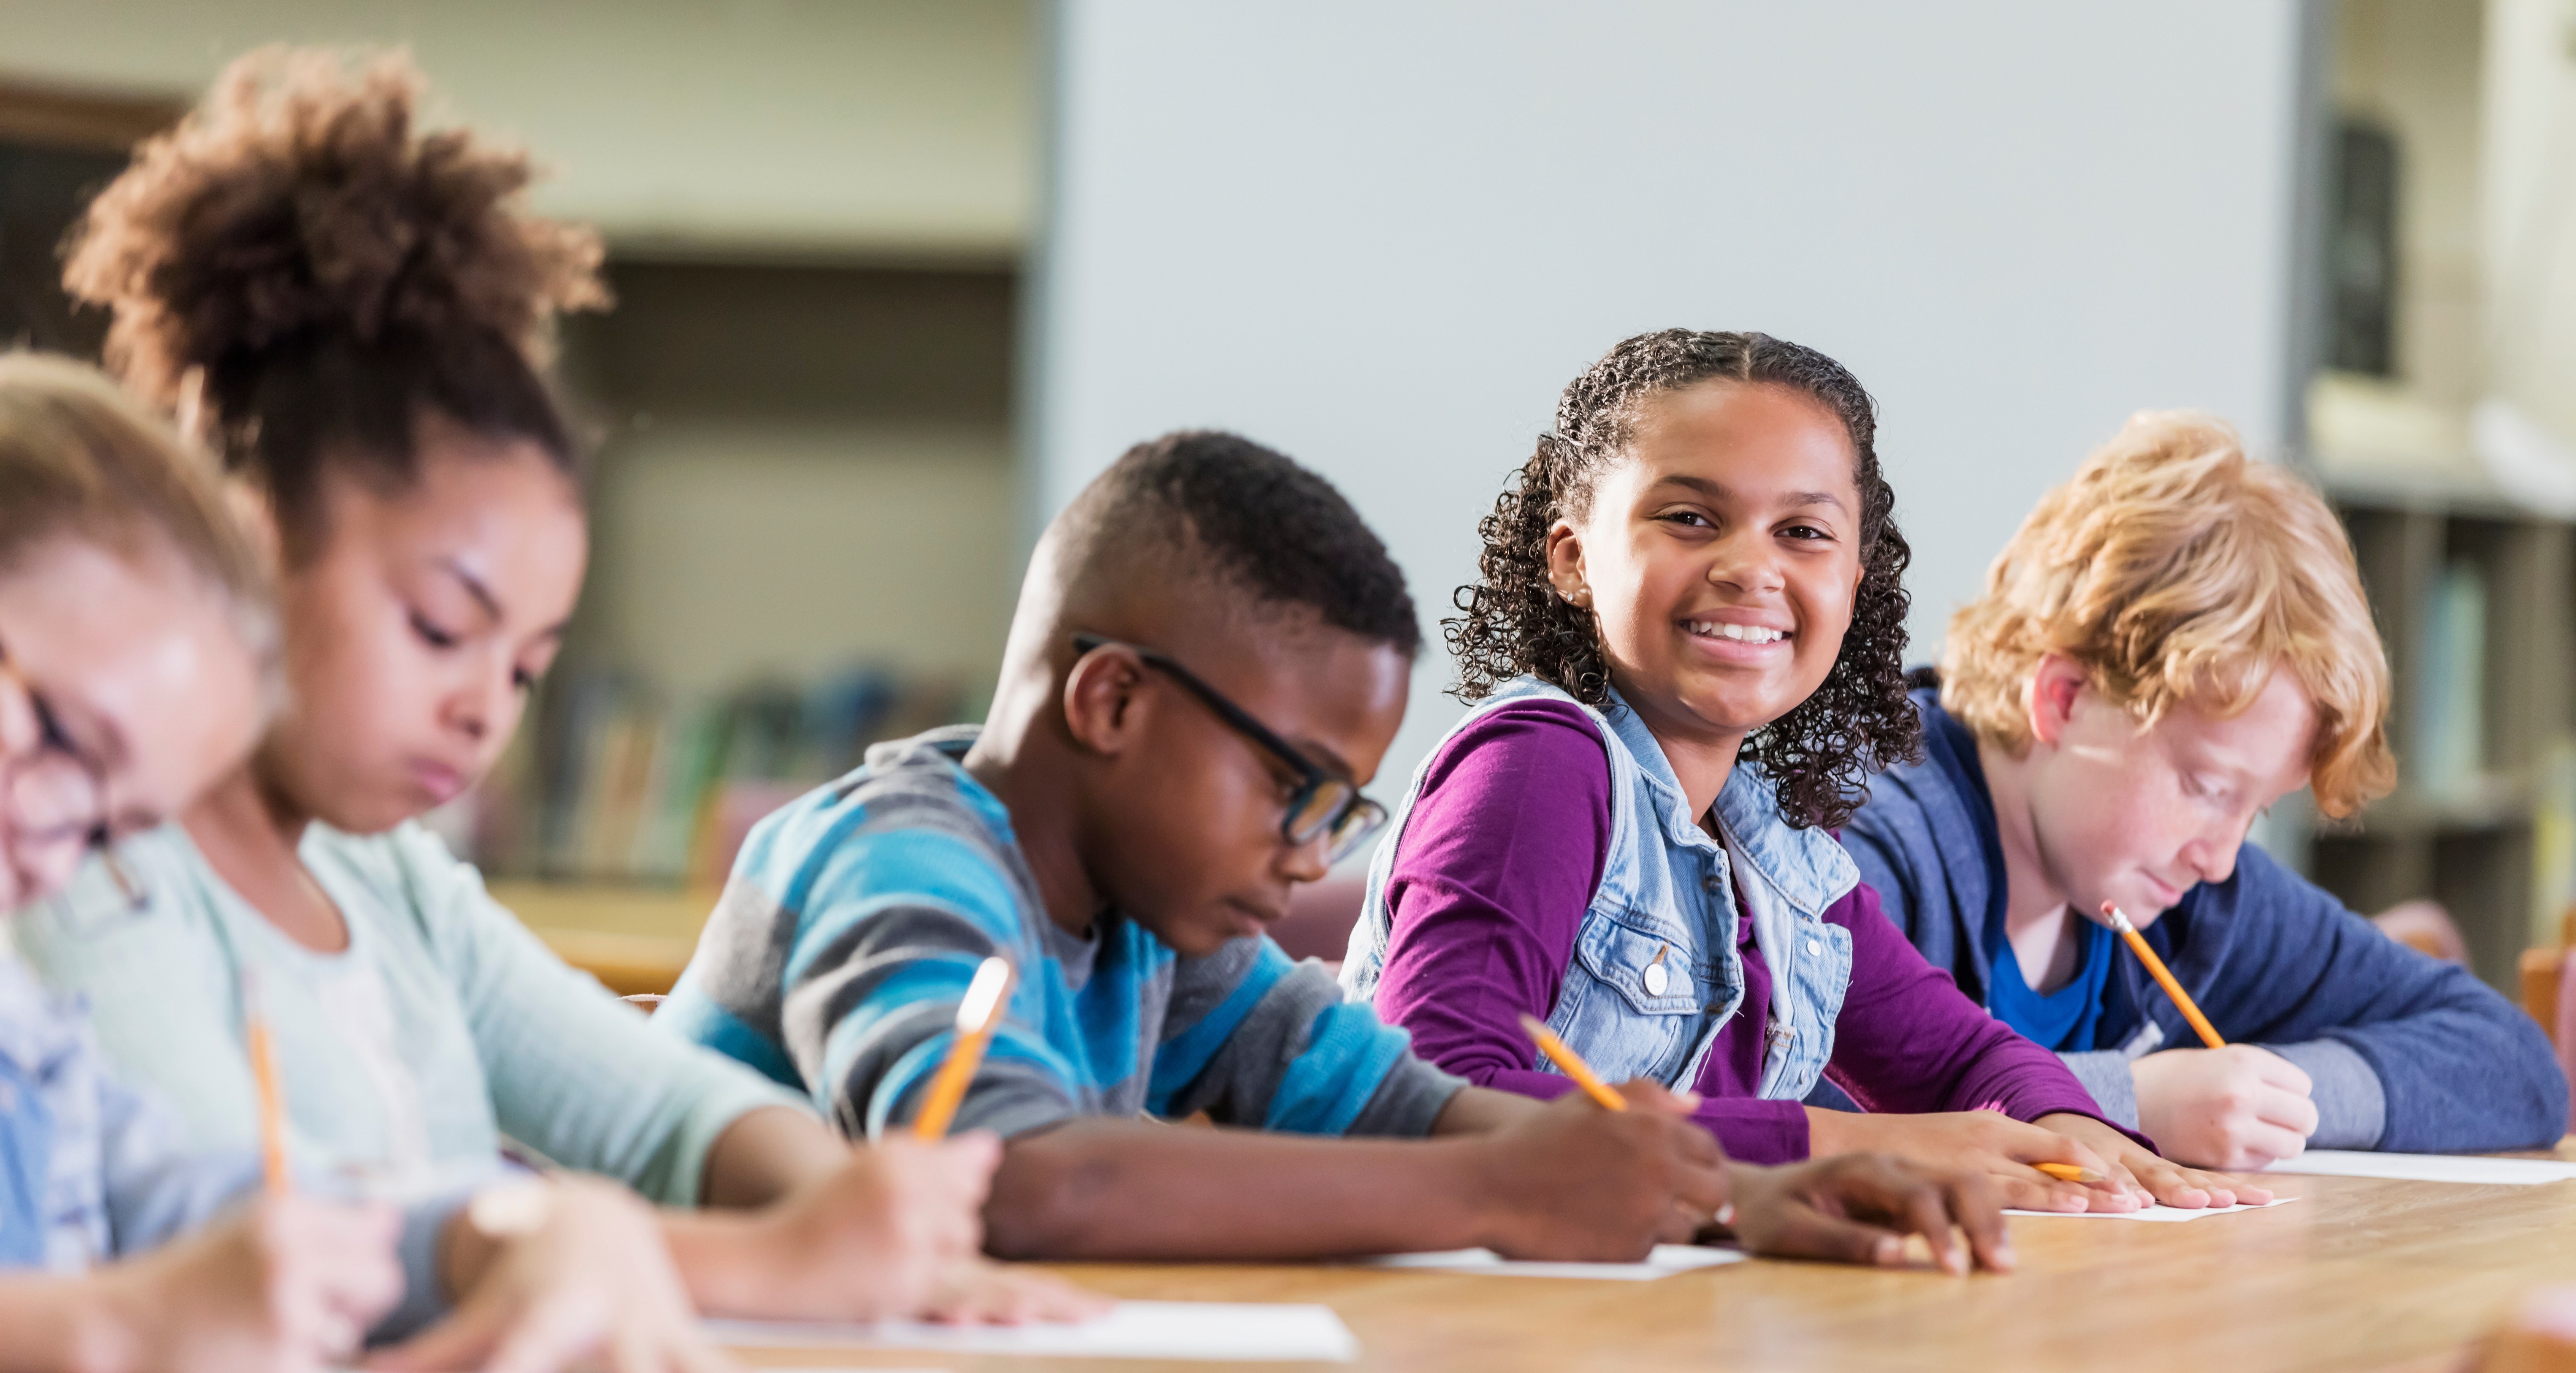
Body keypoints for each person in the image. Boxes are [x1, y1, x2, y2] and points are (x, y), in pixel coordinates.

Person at [25, 46, 1087, 1333]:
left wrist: (855, 1214)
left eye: (528, 662)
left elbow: (660, 1106)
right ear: (248, 542)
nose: (488, 708)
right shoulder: (80, 851)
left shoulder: (390, 884)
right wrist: (765, 1262)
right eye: (439, 627)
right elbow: (231, 1230)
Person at [662, 428, 2015, 1273]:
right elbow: (1016, 1177)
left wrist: (1745, 1191)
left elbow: (1399, 1100)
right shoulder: (901, 860)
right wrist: (1495, 1191)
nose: (1308, 859)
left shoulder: (1158, 922)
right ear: (1113, 702)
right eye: (1294, 789)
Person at [1343, 329, 2257, 1213]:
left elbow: (1962, 1058)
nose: (1751, 568)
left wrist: (2073, 1137)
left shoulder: (1771, 847)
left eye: (1803, 532)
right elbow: (1439, 1099)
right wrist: (1857, 1143)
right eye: (1690, 518)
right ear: (1575, 559)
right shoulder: (1540, 767)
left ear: (1853, 585)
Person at [0, 351, 723, 1373]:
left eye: (108, 831)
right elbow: (148, 1294)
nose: (51, 854)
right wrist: (116, 1328)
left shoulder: (23, 1031)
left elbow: (206, 1199)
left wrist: (507, 1232)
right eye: (62, 742)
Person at [1835, 411, 2565, 1167]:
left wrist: (2279, 1097)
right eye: (2208, 785)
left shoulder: (2195, 899)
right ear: (2063, 699)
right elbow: (1778, 1108)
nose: (2220, 857)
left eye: (2257, 809)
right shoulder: (1861, 838)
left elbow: (2516, 1065)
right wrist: (2130, 1103)